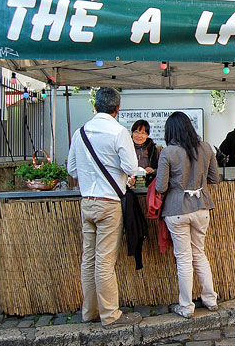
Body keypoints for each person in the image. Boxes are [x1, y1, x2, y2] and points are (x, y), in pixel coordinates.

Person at [67, 87, 142, 329]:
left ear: (95, 106)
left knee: (88, 259)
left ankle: (89, 312)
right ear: (117, 109)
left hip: (87, 201)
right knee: (104, 262)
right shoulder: (119, 132)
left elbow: (72, 170)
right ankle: (110, 315)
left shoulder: (80, 133)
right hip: (109, 203)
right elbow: (131, 167)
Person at [156, 111, 220, 319]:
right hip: (201, 206)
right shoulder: (206, 147)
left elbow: (161, 186)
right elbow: (214, 178)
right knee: (199, 254)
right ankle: (210, 300)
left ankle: (186, 306)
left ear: (170, 131)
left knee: (183, 259)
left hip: (176, 210)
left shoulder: (168, 152)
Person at [131, 119, 159, 186]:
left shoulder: (152, 149)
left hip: (148, 183)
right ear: (132, 133)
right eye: (136, 132)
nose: (139, 136)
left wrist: (153, 170)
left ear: (147, 135)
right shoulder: (126, 147)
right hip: (129, 183)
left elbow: (161, 169)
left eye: (143, 133)